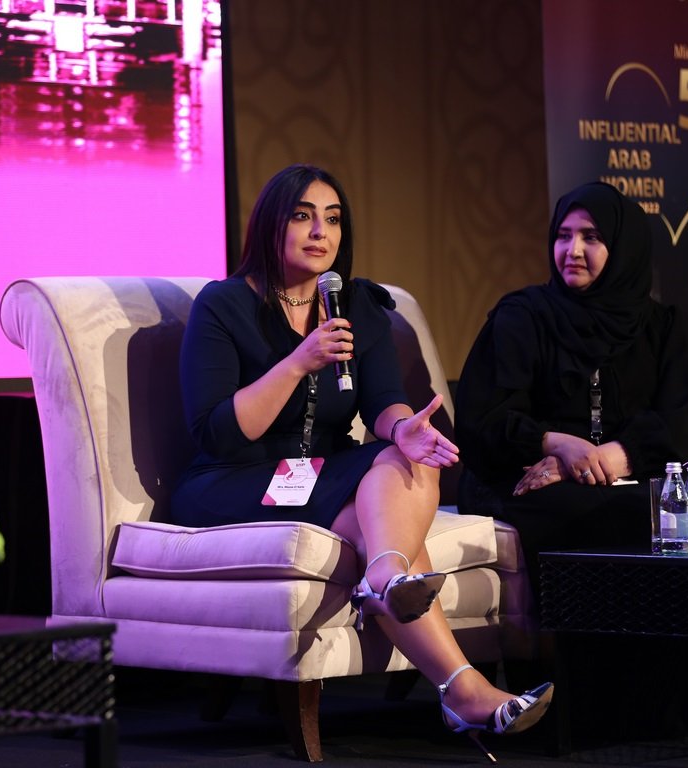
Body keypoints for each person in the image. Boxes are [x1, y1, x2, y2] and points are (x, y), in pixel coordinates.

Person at [163, 163, 552, 759]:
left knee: (409, 458)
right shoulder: (224, 305)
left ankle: (419, 627)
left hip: (317, 474)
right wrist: (299, 361)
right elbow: (219, 433)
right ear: (271, 225)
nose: (321, 231)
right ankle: (446, 666)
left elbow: (382, 401)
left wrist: (403, 427)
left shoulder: (356, 305)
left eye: (333, 218)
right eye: (303, 216)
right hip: (232, 479)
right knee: (380, 509)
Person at [455, 180, 688, 743]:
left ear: (623, 248)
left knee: (673, 520)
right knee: (607, 515)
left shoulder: (664, 328)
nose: (572, 250)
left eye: (592, 237)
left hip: (620, 477)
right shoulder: (523, 317)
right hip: (521, 479)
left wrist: (610, 456)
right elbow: (483, 420)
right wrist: (555, 445)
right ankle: (601, 715)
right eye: (563, 236)